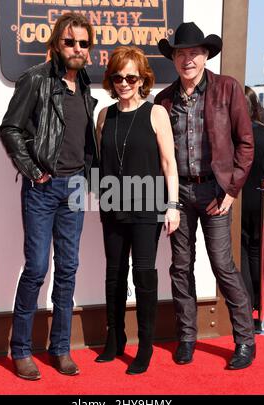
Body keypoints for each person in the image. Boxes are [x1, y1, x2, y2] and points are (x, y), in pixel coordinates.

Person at [0, 12, 98, 380]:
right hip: (42, 189)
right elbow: (10, 129)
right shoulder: (35, 79)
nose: (76, 48)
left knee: (68, 270)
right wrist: (33, 170)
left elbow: (83, 142)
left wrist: (87, 179)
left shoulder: (86, 85)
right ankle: (21, 349)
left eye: (83, 43)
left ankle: (60, 348)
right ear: (56, 43)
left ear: (89, 50)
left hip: (73, 188)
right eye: (70, 41)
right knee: (38, 268)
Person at [155, 22, 256, 369]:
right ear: (174, 58)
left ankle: (245, 341)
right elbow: (161, 154)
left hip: (215, 191)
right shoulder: (163, 99)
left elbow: (246, 143)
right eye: (181, 53)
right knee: (180, 267)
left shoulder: (227, 89)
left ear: (206, 55)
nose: (188, 59)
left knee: (223, 266)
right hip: (179, 192)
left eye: (194, 52)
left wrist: (232, 190)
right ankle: (187, 337)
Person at [95, 46, 180, 374]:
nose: (124, 83)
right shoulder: (104, 115)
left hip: (147, 205)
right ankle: (114, 338)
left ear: (142, 78)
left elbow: (169, 163)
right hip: (113, 203)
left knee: (143, 274)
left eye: (130, 76)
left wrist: (172, 206)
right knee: (113, 274)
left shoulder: (156, 113)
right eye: (117, 77)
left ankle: (145, 346)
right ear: (111, 79)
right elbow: (102, 164)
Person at [241, 86, 264, 310]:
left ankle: (249, 301)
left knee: (242, 252)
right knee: (256, 251)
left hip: (242, 202)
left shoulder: (233, 138)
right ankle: (262, 298)